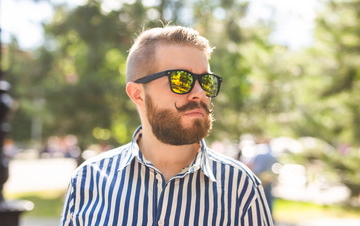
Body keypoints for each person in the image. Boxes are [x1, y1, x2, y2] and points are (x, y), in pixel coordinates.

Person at [59, 25, 274, 225]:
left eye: (206, 82)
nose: (200, 93)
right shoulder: (88, 181)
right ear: (137, 94)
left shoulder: (241, 188)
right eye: (181, 79)